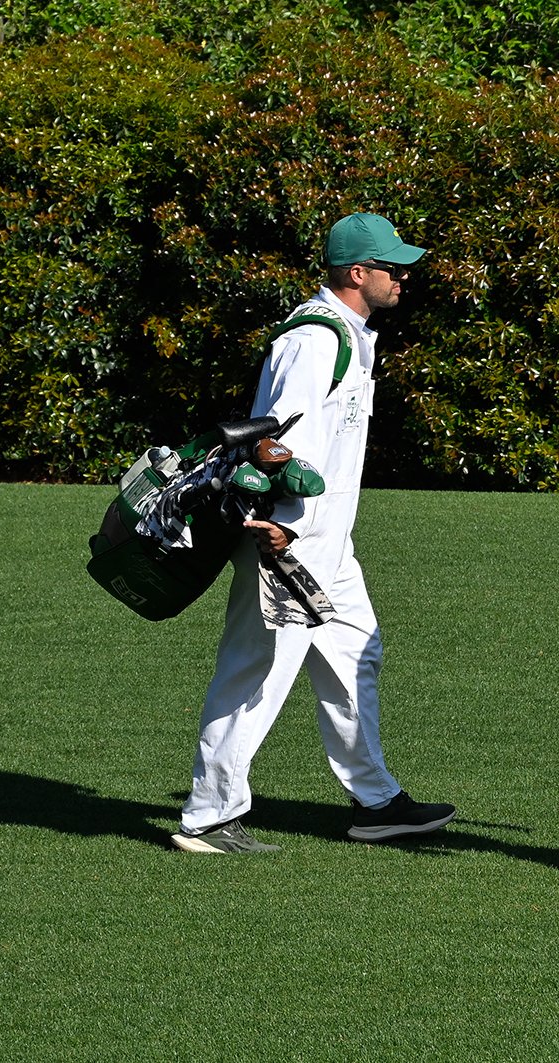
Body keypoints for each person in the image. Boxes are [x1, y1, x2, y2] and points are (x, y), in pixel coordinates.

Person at [171, 213, 456, 853]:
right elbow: (275, 441)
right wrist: (274, 526)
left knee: (357, 653)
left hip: (330, 542)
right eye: (391, 267)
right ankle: (208, 817)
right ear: (358, 274)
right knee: (259, 671)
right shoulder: (315, 340)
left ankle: (378, 802)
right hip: (289, 539)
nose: (402, 276)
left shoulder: (351, 334)